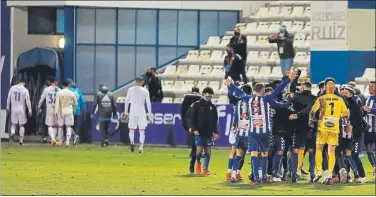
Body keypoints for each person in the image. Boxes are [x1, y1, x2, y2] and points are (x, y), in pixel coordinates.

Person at [227, 71, 297, 184]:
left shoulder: (248, 99)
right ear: (263, 91)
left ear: (254, 91)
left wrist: (231, 85)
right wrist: (289, 79)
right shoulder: (267, 99)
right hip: (265, 132)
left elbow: (239, 92)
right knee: (264, 153)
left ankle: (255, 178)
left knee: (254, 153)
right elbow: (279, 89)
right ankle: (263, 177)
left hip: (252, 131)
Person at [308, 78, 349, 184]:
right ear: (334, 88)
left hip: (322, 128)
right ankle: (330, 173)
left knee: (319, 149)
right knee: (331, 151)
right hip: (334, 128)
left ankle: (319, 171)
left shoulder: (321, 99)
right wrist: (337, 117)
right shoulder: (339, 99)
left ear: (325, 87)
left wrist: (311, 121)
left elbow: (312, 111)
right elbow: (345, 114)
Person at [288, 82, 316, 182]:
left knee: (295, 150)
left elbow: (291, 90)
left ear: (303, 87)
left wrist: (295, 78)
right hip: (311, 128)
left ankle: (294, 173)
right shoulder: (315, 98)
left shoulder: (297, 96)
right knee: (311, 150)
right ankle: (312, 173)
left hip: (298, 127)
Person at [189, 87, 219, 176]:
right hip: (199, 131)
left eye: (210, 95)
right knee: (199, 150)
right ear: (203, 94)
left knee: (207, 151)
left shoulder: (213, 107)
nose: (209, 96)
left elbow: (215, 120)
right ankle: (198, 163)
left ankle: (205, 169)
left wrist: (216, 132)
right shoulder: (196, 105)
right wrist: (194, 129)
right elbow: (192, 118)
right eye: (207, 94)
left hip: (209, 132)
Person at [338, 86, 364, 183]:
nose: (343, 94)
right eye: (342, 93)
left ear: (351, 94)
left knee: (349, 154)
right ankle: (348, 174)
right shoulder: (338, 102)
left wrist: (352, 124)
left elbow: (360, 117)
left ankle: (357, 175)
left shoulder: (354, 104)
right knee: (342, 154)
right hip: (339, 132)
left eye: (346, 93)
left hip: (349, 133)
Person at [230, 84, 253, 182]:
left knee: (238, 153)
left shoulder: (238, 103)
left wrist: (234, 126)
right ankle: (254, 174)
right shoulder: (252, 101)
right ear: (250, 92)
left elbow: (236, 116)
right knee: (254, 153)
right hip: (249, 131)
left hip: (240, 130)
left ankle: (234, 174)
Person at [124, 77, 152, 153]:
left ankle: (132, 142)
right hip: (141, 111)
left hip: (133, 111)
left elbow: (126, 101)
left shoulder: (130, 89)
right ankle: (141, 147)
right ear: (142, 82)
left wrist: (126, 112)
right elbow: (148, 103)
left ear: (136, 82)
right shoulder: (145, 91)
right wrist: (149, 113)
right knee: (142, 130)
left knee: (131, 129)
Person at [180, 87, 202, 173]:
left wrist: (186, 124)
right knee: (200, 146)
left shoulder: (187, 98)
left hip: (191, 126)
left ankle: (192, 164)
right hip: (200, 126)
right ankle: (198, 165)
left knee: (195, 146)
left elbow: (182, 112)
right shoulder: (201, 98)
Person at [6, 77, 32, 144]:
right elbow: (28, 101)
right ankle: (21, 140)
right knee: (21, 125)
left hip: (13, 109)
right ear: (24, 83)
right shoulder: (25, 90)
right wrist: (30, 110)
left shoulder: (12, 88)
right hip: (21, 109)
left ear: (19, 81)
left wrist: (7, 107)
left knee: (13, 124)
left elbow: (8, 97)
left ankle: (12, 133)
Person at [38, 76, 60, 145]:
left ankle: (53, 139)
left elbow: (42, 99)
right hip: (57, 109)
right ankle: (54, 139)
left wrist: (39, 107)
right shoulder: (59, 90)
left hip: (49, 108)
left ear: (50, 82)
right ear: (55, 82)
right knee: (55, 125)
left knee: (49, 125)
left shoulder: (46, 90)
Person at [55, 79, 78, 147]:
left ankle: (60, 141)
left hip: (61, 112)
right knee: (68, 127)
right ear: (68, 85)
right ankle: (67, 142)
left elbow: (57, 103)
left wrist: (56, 111)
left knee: (60, 127)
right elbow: (75, 103)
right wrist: (74, 110)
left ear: (62, 85)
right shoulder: (71, 93)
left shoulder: (59, 93)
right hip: (69, 111)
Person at [362, 81, 376, 181]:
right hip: (368, 129)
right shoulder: (367, 99)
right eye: (369, 86)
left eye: (372, 86)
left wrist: (370, 109)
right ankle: (374, 168)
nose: (370, 88)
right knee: (368, 149)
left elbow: (370, 110)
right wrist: (363, 109)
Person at [69, 82, 86, 146]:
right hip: (78, 111)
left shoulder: (69, 90)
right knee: (76, 126)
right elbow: (83, 101)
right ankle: (76, 136)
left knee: (69, 125)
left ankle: (73, 136)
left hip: (70, 111)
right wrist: (85, 109)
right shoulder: (78, 91)